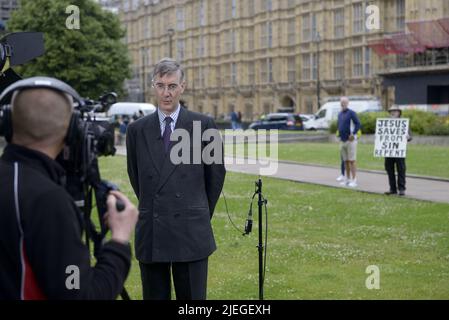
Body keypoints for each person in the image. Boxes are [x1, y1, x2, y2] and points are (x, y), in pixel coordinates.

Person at [0, 77, 138, 300]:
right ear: (73, 129)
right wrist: (119, 240)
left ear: (7, 121)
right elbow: (77, 293)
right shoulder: (48, 202)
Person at [126, 58, 226, 300]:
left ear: (183, 86)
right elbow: (136, 176)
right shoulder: (137, 130)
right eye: (160, 85)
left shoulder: (204, 125)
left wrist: (196, 211)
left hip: (191, 230)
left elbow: (215, 176)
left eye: (172, 86)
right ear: (153, 86)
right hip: (152, 231)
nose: (166, 93)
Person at [384, 106, 412, 196]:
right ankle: (392, 189)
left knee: (401, 169)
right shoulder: (386, 122)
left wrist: (408, 137)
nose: (393, 113)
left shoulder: (403, 123)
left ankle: (401, 188)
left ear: (399, 112)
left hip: (399, 151)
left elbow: (410, 136)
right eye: (391, 111)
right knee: (389, 169)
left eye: (395, 111)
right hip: (389, 151)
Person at [337, 96, 361, 188]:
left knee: (352, 161)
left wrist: (353, 134)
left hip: (350, 141)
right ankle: (347, 179)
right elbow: (340, 126)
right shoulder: (339, 114)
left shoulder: (351, 113)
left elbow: (358, 124)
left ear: (347, 103)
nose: (343, 103)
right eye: (341, 102)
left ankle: (354, 180)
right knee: (345, 161)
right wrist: (339, 135)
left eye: (344, 102)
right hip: (342, 141)